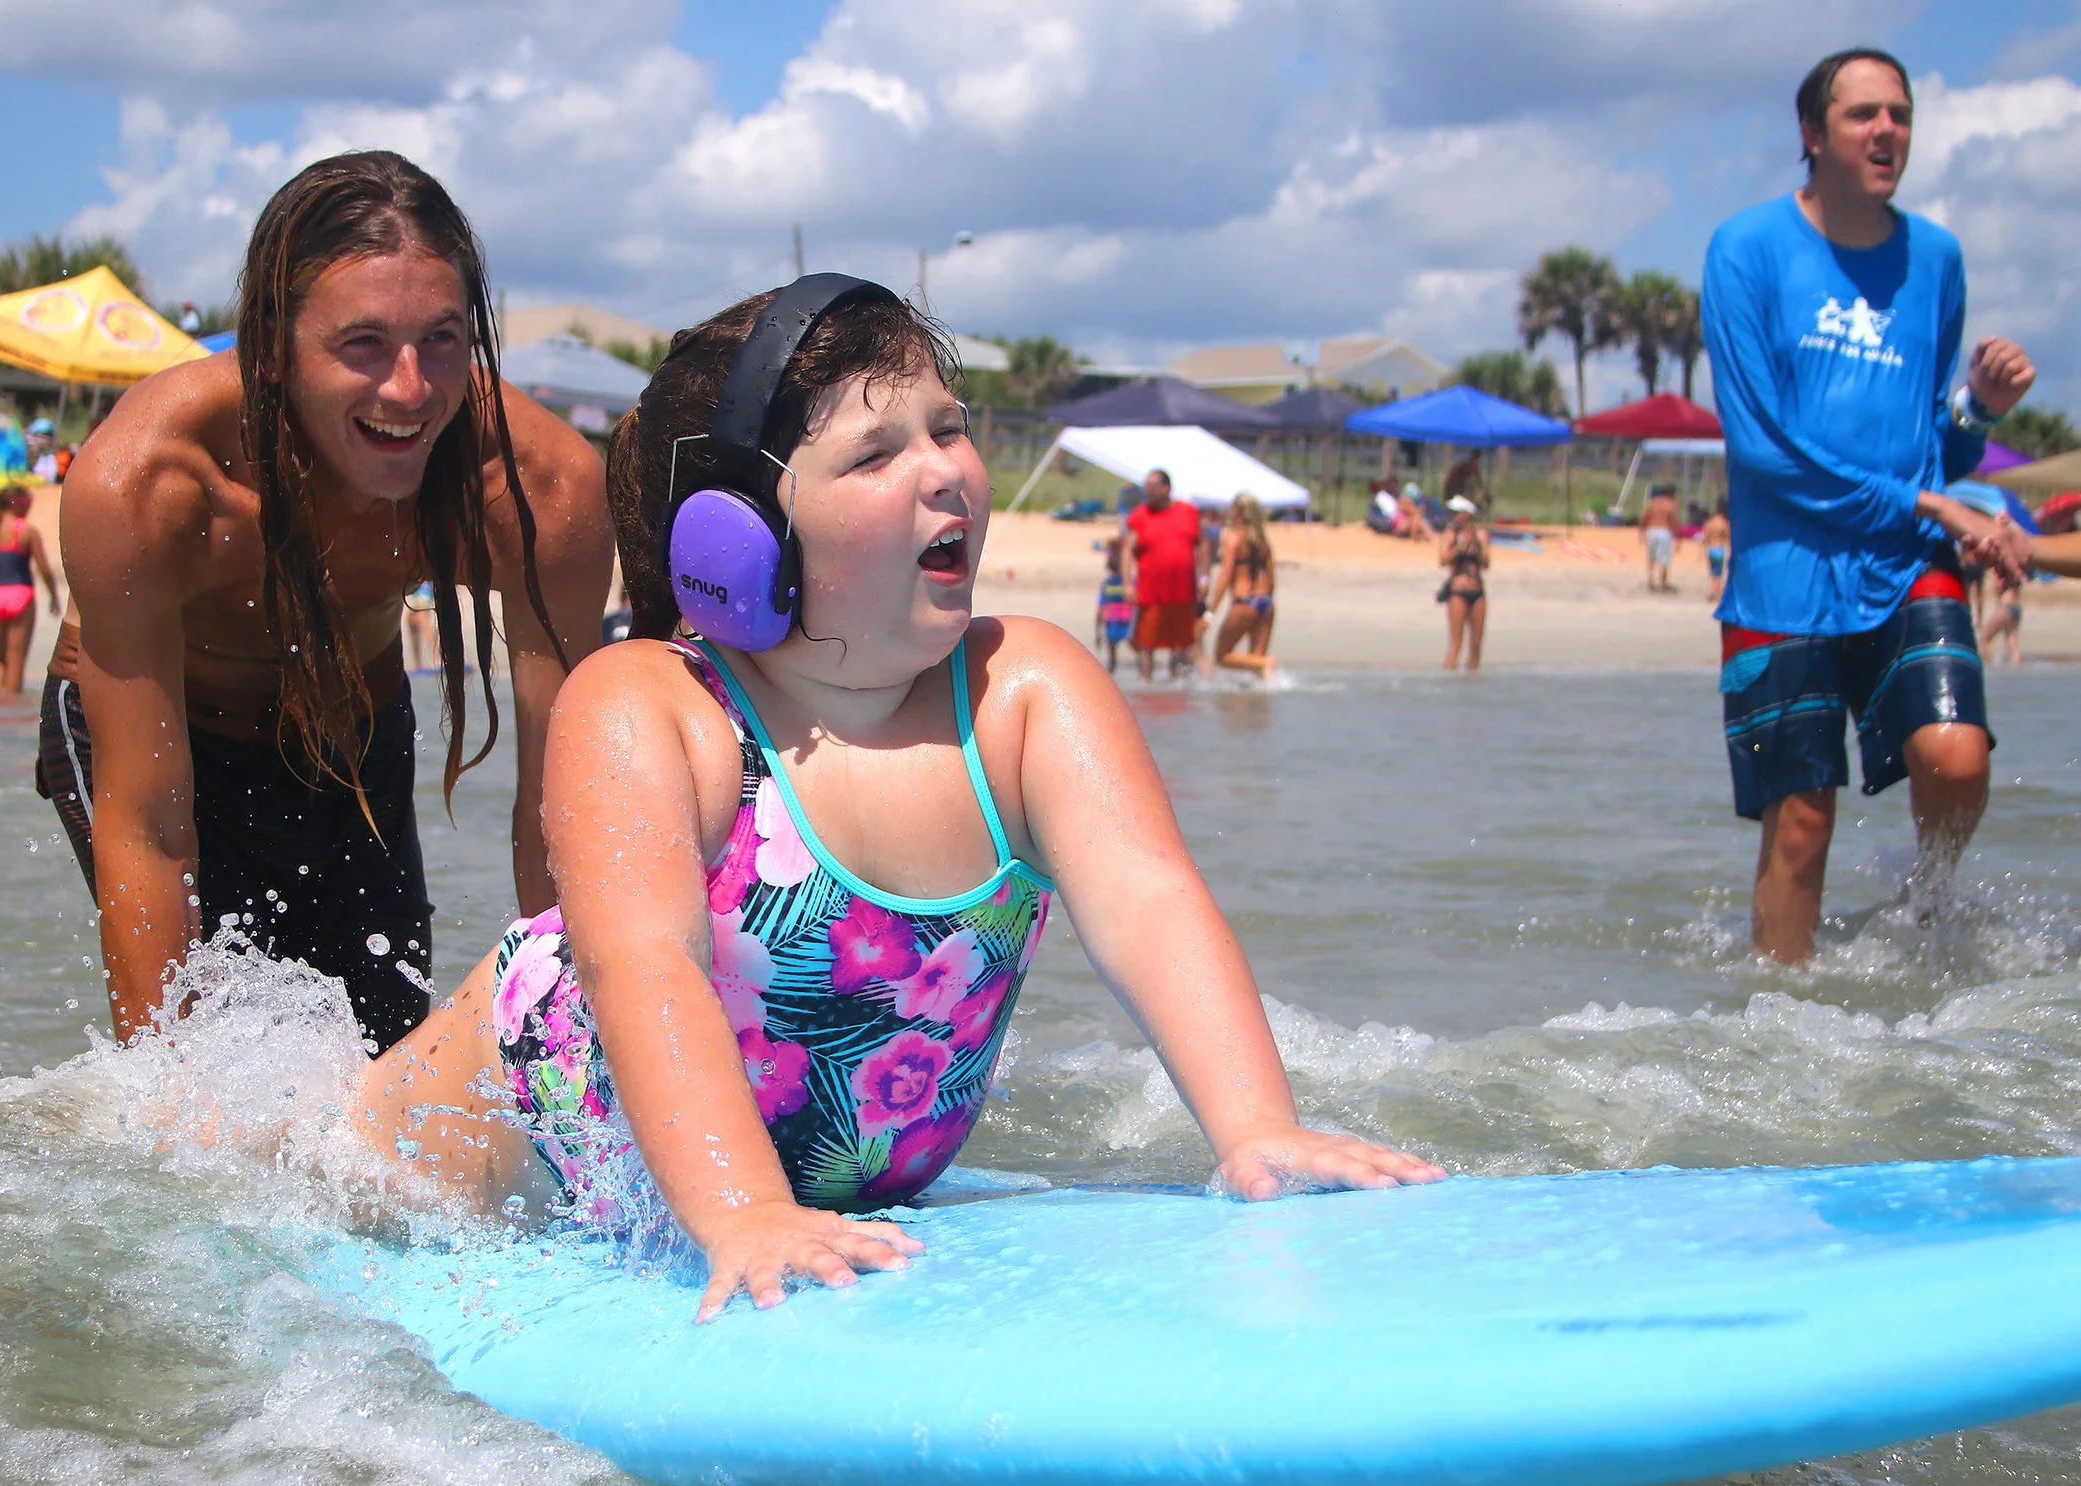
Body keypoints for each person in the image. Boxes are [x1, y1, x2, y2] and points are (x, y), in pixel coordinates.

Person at [285, 279, 1444, 1320]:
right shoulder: (652, 707)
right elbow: (644, 968)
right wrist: (739, 1210)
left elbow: (1147, 902)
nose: (942, 466)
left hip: (800, 1183)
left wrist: (1257, 1130)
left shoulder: (1025, 694)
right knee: (280, 1176)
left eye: (947, 426)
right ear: (733, 539)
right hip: (503, 1147)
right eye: (874, 453)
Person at [45, 151, 611, 1051]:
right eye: (363, 345)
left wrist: (587, 1052)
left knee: (386, 1050)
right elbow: (150, 830)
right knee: (210, 1062)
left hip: (348, 727)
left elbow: (562, 810)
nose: (410, 389)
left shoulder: (539, 490)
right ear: (272, 348)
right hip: (159, 729)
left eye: (441, 339)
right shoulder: (152, 484)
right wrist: (165, 1124)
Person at [1705, 47, 2035, 965]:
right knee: (1804, 819)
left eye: (1900, 113)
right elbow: (1764, 450)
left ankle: (1925, 908)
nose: (1887, 129)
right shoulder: (1747, 249)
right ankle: (1784, 1014)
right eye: (1863, 115)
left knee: (1957, 756)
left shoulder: (1936, 258)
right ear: (1812, 134)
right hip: (1783, 574)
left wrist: (1978, 411)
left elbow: (1933, 437)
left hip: (1902, 557)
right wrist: (1939, 499)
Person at [0, 484, 61, 697]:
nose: (29, 507)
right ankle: (11, 712)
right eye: (26, 503)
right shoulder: (27, 531)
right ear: (14, 503)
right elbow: (45, 570)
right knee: (16, 662)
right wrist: (54, 596)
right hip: (19, 597)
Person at [1119, 468, 1202, 679]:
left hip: (1184, 590)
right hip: (1150, 591)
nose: (1149, 491)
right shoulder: (1139, 516)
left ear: (1167, 488)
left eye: (1153, 487)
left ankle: (1177, 684)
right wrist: (1128, 583)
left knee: (1181, 642)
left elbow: (1202, 546)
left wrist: (1205, 577)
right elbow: (1127, 551)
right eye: (1146, 486)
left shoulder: (1188, 512)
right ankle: (1147, 684)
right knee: (1146, 642)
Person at [1206, 492, 1276, 676]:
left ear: (1237, 510)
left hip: (1244, 602)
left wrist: (1210, 611)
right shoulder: (1263, 541)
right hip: (1266, 602)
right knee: (1255, 659)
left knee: (1222, 656)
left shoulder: (1234, 538)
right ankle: (1260, 700)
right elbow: (1271, 578)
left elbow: (1225, 577)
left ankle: (1264, 663)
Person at [1438, 496, 1488, 670]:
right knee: (1456, 641)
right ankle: (1449, 674)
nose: (1454, 516)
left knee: (1476, 644)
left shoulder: (1480, 534)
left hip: (1477, 590)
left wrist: (1477, 546)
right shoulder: (1451, 533)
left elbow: (1486, 564)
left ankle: (1472, 679)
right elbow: (1443, 559)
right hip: (1458, 591)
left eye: (1457, 512)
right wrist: (1459, 548)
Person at [1092, 542, 1131, 673]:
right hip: (1127, 618)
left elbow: (1100, 609)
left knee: (1112, 653)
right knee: (1141, 649)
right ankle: (1146, 675)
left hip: (1111, 620)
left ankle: (1111, 675)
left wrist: (1097, 632)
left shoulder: (1106, 584)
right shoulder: (1129, 583)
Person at [1640, 482, 1680, 592]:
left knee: (1651, 557)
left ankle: (1651, 580)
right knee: (1664, 559)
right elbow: (1674, 522)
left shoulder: (1652, 503)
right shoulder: (1671, 504)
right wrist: (1678, 538)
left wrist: (1641, 532)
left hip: (1652, 531)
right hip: (1664, 531)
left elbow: (1644, 518)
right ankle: (1663, 583)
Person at [1700, 499, 1732, 603]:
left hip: (1710, 549)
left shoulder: (1709, 523)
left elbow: (1705, 538)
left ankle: (1712, 591)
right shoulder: (1724, 524)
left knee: (1712, 573)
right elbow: (1728, 538)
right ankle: (1717, 595)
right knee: (1719, 573)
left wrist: (1702, 551)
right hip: (1719, 550)